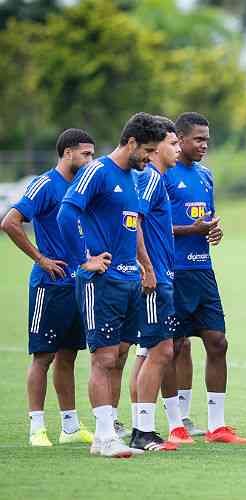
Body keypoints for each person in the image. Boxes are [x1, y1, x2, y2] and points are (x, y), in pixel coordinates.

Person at [57, 112, 168, 458]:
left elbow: (132, 225)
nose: (151, 159)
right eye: (148, 151)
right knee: (103, 358)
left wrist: (146, 266)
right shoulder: (96, 171)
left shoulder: (136, 177)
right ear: (131, 143)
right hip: (100, 282)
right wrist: (83, 260)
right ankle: (102, 437)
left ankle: (111, 431)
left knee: (119, 357)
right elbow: (66, 213)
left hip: (130, 280)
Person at [1, 129, 96, 447]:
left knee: (69, 356)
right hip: (49, 285)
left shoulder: (84, 187)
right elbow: (10, 222)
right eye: (86, 154)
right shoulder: (45, 184)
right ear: (68, 153)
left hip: (79, 284)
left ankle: (69, 426)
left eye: (93, 154)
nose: (90, 160)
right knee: (43, 357)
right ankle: (36, 428)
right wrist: (41, 259)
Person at [165, 112, 246, 444]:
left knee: (218, 342)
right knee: (172, 347)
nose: (204, 145)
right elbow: (154, 227)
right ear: (180, 139)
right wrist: (194, 229)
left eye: (207, 139)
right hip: (174, 273)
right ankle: (176, 424)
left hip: (203, 271)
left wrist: (213, 229)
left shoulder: (205, 175)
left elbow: (207, 218)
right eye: (198, 139)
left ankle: (216, 426)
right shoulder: (164, 176)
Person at [127, 117, 189, 449]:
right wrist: (147, 267)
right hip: (155, 278)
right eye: (173, 143)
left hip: (161, 275)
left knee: (148, 351)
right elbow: (133, 220)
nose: (178, 149)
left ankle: (142, 426)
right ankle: (143, 431)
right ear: (155, 149)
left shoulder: (154, 179)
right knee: (161, 350)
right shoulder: (151, 179)